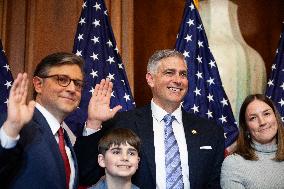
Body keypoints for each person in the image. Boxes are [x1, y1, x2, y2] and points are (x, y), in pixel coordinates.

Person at [75, 49, 225, 189]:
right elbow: (86, 175)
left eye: (183, 74)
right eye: (169, 73)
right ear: (150, 79)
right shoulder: (122, 123)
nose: (178, 80)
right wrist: (94, 122)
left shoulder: (210, 131)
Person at [0, 52, 85, 189]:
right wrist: (10, 130)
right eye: (62, 80)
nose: (72, 89)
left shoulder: (64, 138)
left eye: (78, 84)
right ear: (39, 84)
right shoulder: (14, 125)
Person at [221, 94, 284, 188]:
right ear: (246, 127)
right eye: (253, 118)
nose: (262, 122)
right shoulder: (234, 163)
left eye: (266, 114)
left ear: (276, 117)